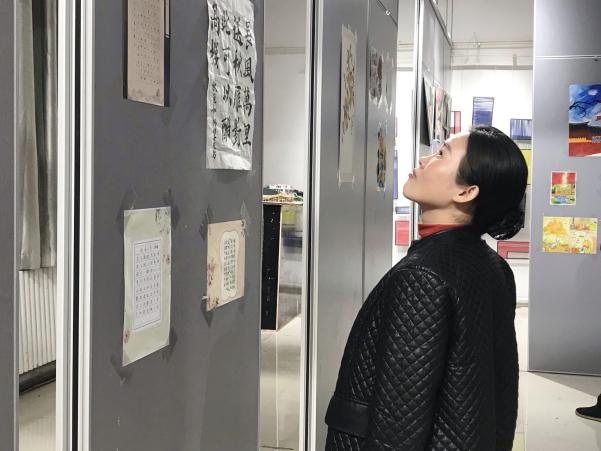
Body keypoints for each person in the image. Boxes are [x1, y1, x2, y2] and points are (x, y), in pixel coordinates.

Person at [325, 126, 527, 450]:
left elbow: (398, 423)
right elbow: (500, 393)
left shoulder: (421, 276)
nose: (424, 159)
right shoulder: (493, 266)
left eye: (441, 154)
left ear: (466, 192)